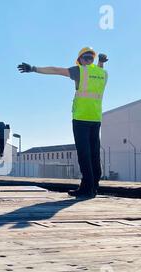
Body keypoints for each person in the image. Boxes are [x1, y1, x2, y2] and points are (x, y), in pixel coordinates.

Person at [18, 47, 108, 198]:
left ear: (80, 60)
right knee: (94, 154)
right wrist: (100, 62)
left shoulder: (80, 71)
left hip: (81, 118)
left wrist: (33, 68)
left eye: (87, 58)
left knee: (84, 155)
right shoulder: (103, 73)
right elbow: (97, 72)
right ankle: (94, 188)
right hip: (96, 118)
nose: (86, 60)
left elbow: (56, 70)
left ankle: (86, 189)